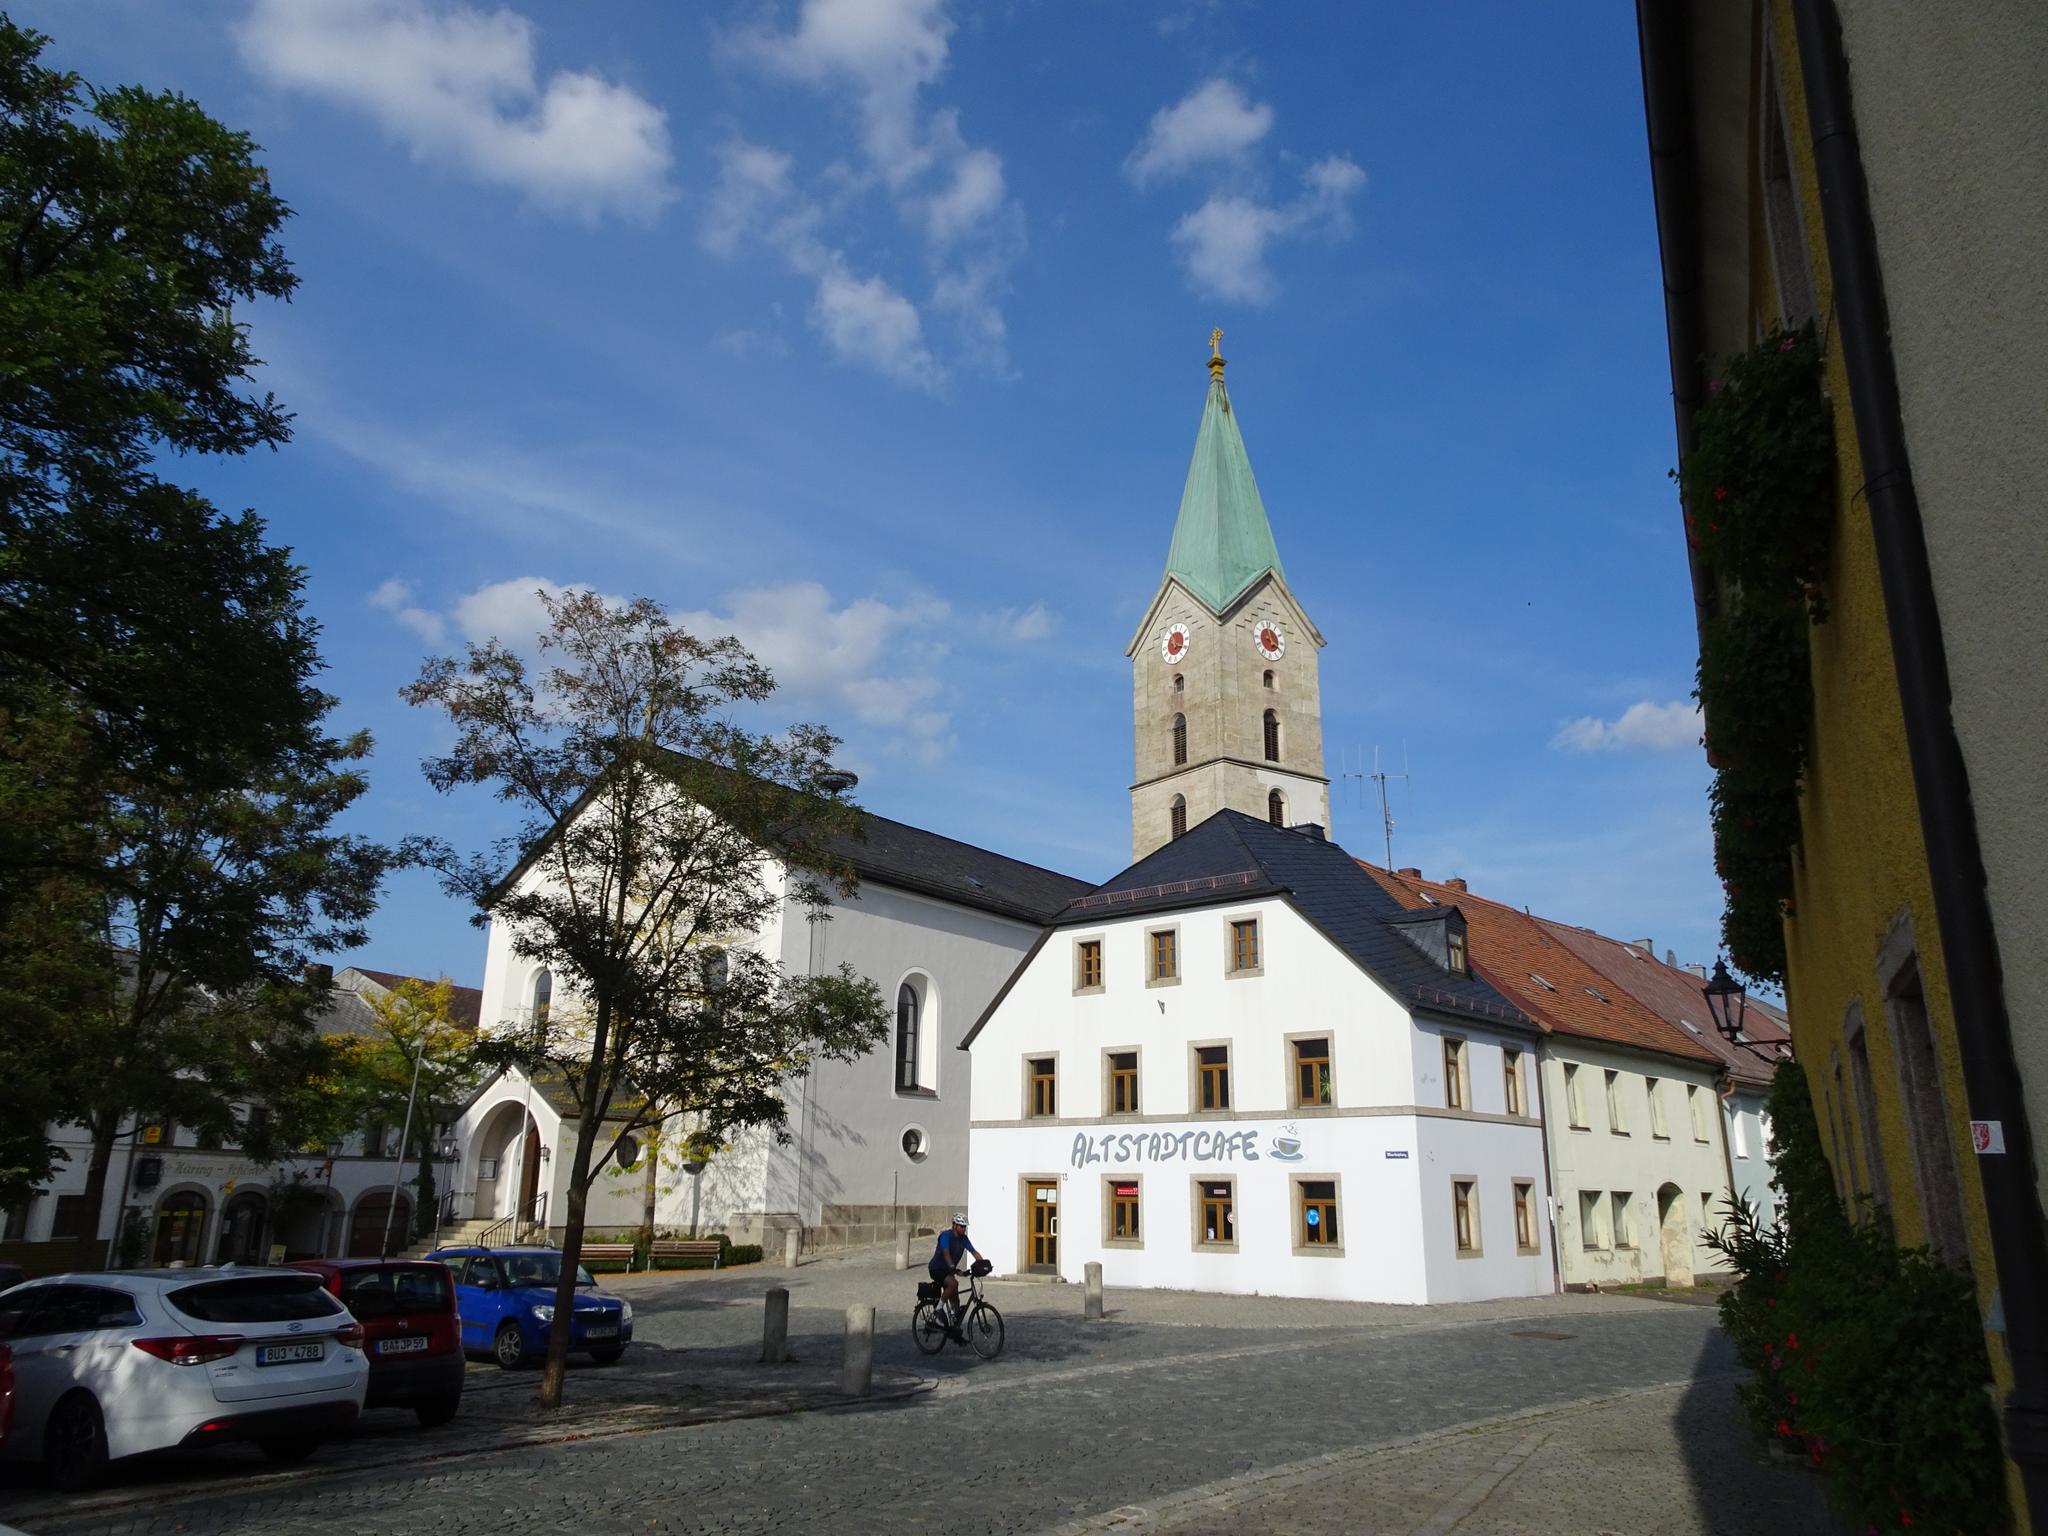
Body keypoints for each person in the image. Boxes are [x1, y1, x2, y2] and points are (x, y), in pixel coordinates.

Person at [929, 1213, 983, 1338]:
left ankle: (953, 1323)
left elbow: (973, 1251)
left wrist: (983, 1264)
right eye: (961, 1226)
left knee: (956, 1298)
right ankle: (938, 1309)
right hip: (937, 1268)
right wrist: (955, 1269)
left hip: (949, 1270)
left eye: (965, 1227)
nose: (964, 1229)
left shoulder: (964, 1238)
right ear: (954, 1225)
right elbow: (946, 1254)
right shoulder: (945, 1236)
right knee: (953, 1283)